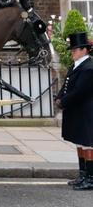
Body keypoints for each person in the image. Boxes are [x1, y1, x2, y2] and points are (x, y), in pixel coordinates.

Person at [55, 31, 93, 190]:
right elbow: (66, 84)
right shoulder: (77, 65)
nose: (72, 52)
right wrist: (58, 97)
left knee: (88, 145)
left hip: (86, 112)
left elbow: (79, 91)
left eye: (75, 49)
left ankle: (90, 178)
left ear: (84, 50)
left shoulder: (89, 68)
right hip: (76, 111)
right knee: (79, 142)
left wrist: (63, 102)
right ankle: (83, 174)